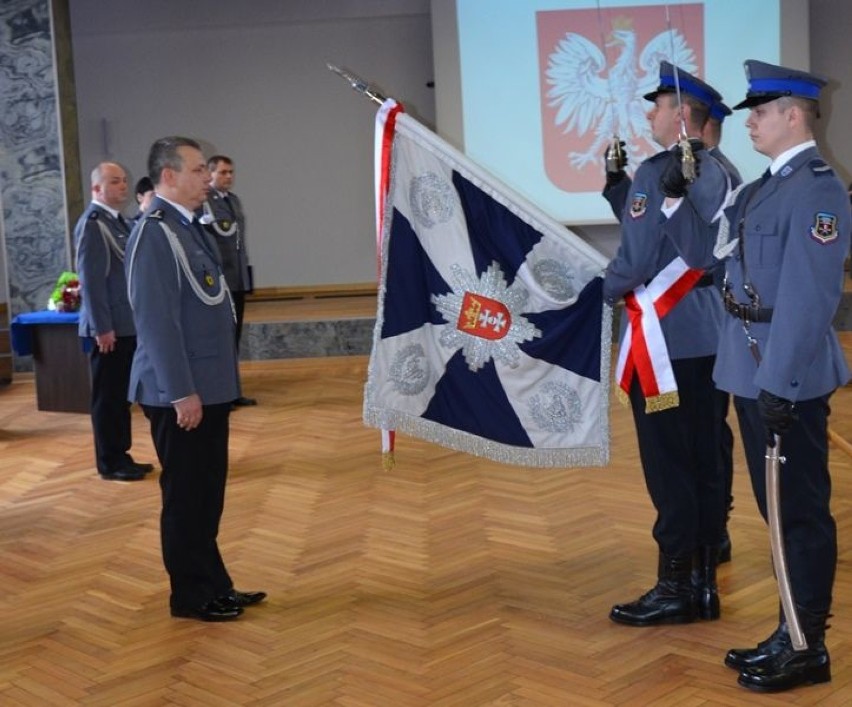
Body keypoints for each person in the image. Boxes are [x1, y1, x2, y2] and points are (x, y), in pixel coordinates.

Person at [661, 60, 850, 692]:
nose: (750, 124)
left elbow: (809, 295)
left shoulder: (817, 189)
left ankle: (807, 646)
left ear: (794, 115)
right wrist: (674, 193)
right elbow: (702, 260)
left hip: (782, 371)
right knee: (776, 510)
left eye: (761, 113)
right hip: (748, 363)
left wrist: (783, 381)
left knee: (798, 512)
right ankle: (786, 630)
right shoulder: (762, 189)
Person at [604, 62, 730, 627]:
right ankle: (702, 575)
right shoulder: (719, 170)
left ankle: (677, 583)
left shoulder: (663, 172)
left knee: (668, 460)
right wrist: (619, 193)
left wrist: (587, 293)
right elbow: (679, 240)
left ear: (682, 115)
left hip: (665, 349)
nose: (649, 114)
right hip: (706, 337)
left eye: (656, 106)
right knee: (704, 455)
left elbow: (635, 260)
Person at [126, 136, 265, 621]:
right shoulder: (154, 233)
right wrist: (181, 390)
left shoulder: (188, 228)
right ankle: (190, 595)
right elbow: (157, 323)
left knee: (207, 493)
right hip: (180, 393)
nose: (208, 177)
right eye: (198, 169)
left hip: (209, 387)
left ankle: (215, 582)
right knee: (186, 498)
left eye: (207, 169)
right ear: (169, 176)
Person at [74, 162, 154, 482]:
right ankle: (109, 462)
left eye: (124, 181)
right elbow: (91, 281)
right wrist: (102, 327)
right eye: (115, 182)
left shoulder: (117, 222)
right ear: (97, 189)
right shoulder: (94, 224)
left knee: (121, 396)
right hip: (109, 330)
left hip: (126, 325)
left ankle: (122, 454)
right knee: (108, 398)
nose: (123, 186)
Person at [200, 155, 256, 407]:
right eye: (222, 172)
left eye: (231, 172)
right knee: (221, 337)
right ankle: (220, 393)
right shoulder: (205, 203)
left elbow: (237, 243)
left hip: (236, 278)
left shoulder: (232, 201)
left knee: (233, 337)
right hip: (219, 280)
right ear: (209, 174)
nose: (228, 177)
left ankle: (233, 391)